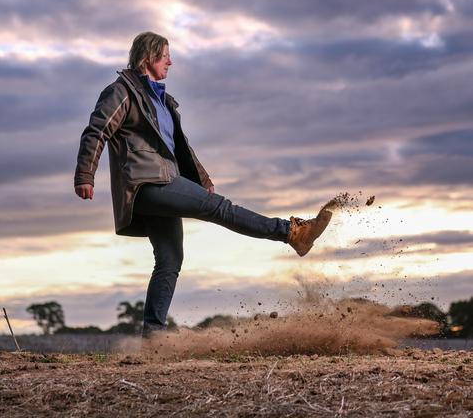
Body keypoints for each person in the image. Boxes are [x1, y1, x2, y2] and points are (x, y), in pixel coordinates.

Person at [75, 31, 332, 337]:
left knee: (170, 259)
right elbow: (97, 130)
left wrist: (203, 180)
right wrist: (85, 175)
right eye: (165, 55)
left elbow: (178, 147)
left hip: (167, 179)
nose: (170, 61)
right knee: (220, 209)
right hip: (147, 184)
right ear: (149, 58)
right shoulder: (122, 92)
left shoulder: (162, 100)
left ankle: (153, 338)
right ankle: (293, 232)